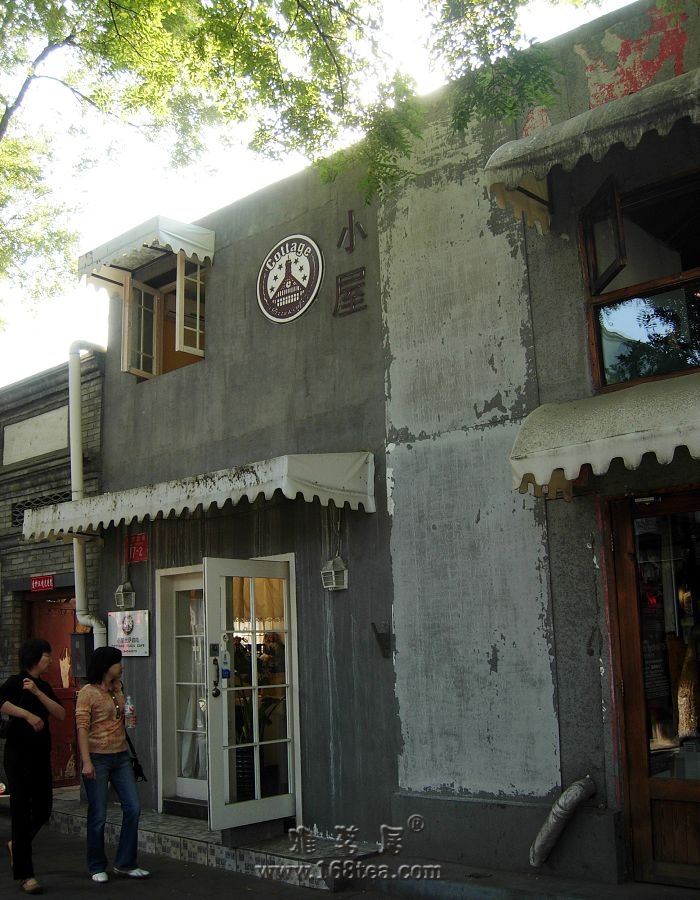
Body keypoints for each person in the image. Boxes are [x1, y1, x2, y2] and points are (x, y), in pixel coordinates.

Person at [75, 646, 149, 883]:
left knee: (133, 807)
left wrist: (129, 718)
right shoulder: (87, 693)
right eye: (117, 663)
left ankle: (125, 863)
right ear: (106, 666)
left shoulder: (118, 688)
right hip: (98, 757)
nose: (121, 666)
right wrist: (86, 761)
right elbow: (82, 727)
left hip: (121, 755)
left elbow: (120, 718)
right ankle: (96, 865)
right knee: (98, 813)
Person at [0, 637, 65, 895]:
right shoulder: (15, 682)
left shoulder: (44, 686)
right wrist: (27, 714)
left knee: (43, 808)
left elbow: (60, 713)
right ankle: (26, 875)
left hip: (40, 755)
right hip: (18, 756)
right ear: (34, 658)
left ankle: (17, 844)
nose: (50, 660)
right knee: (20, 810)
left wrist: (38, 693)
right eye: (46, 656)